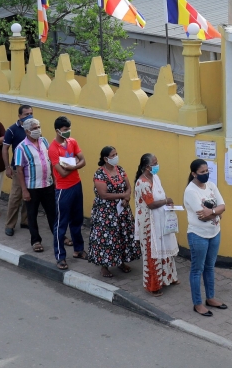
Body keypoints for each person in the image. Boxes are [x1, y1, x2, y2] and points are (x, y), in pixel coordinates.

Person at [87, 146, 140, 277]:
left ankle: (121, 261)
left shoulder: (120, 170)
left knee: (123, 236)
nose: (116, 157)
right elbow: (103, 194)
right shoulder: (99, 174)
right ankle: (104, 266)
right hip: (106, 212)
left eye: (116, 154)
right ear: (105, 158)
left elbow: (128, 187)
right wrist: (122, 196)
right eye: (113, 155)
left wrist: (127, 197)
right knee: (107, 238)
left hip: (122, 210)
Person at [183, 159, 226, 314]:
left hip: (214, 233)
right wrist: (216, 212)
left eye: (207, 171)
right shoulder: (191, 191)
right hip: (198, 235)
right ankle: (198, 303)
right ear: (194, 174)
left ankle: (210, 298)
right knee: (197, 269)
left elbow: (223, 206)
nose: (206, 174)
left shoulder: (211, 186)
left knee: (209, 267)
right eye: (202, 172)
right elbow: (202, 216)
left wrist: (213, 211)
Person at [134, 153, 179, 294]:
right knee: (152, 253)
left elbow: (161, 194)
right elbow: (151, 204)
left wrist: (168, 201)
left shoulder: (155, 178)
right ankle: (154, 286)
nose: (157, 165)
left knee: (165, 248)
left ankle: (168, 278)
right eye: (155, 163)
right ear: (147, 167)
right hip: (149, 223)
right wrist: (166, 201)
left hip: (161, 219)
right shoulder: (142, 183)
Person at [13, 117, 57, 253]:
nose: (37, 130)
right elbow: (19, 170)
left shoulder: (44, 141)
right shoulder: (21, 148)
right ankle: (36, 240)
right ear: (27, 131)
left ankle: (58, 236)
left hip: (47, 184)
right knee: (32, 215)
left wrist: (54, 180)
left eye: (38, 127)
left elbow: (51, 161)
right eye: (34, 128)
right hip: (32, 187)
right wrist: (24, 190)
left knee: (53, 213)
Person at [49, 116, 87, 268]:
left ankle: (78, 249)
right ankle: (60, 256)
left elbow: (83, 161)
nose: (68, 132)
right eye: (65, 130)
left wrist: (71, 167)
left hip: (76, 185)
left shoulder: (72, 142)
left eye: (69, 129)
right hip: (63, 189)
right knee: (61, 224)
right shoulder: (53, 149)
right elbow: (62, 173)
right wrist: (74, 166)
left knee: (77, 220)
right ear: (58, 130)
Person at [1, 105, 32, 236]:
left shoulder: (33, 128)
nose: (29, 116)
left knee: (29, 197)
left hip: (31, 169)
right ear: (19, 116)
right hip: (17, 168)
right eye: (26, 114)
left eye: (31, 113)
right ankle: (10, 225)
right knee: (15, 197)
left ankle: (25, 221)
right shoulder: (12, 130)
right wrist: (7, 167)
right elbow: (4, 149)